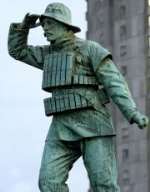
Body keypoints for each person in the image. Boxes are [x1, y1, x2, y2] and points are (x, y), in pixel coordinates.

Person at [8, 2, 149, 192]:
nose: (45, 30)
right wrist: (22, 28)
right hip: (60, 128)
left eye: (49, 24)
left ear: (64, 25)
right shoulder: (47, 54)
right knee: (49, 183)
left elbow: (114, 83)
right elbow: (18, 51)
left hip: (93, 125)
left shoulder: (91, 49)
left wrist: (132, 112)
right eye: (43, 25)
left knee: (103, 185)